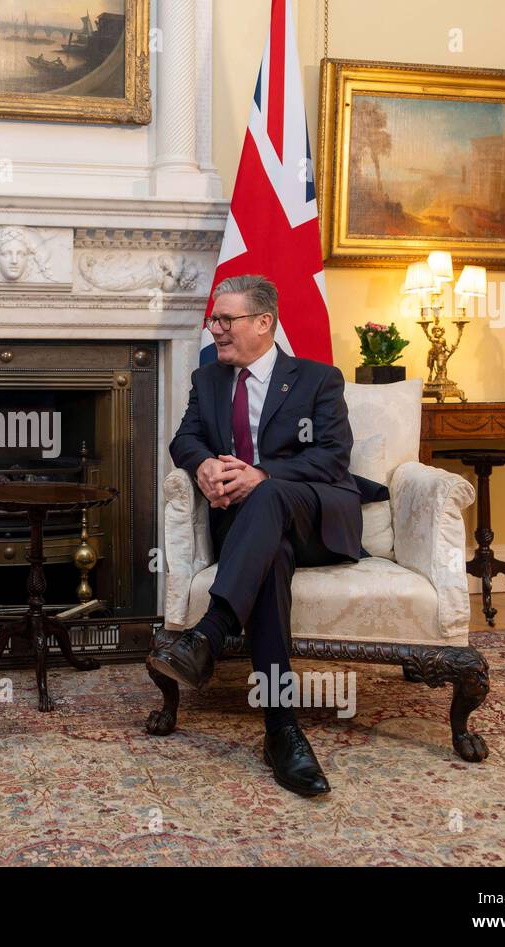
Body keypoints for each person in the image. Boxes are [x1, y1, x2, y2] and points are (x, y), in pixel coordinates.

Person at [150, 274, 373, 797]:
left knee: (268, 493)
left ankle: (210, 629)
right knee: (269, 558)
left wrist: (262, 475)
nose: (216, 329)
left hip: (316, 517)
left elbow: (331, 457)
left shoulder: (318, 379)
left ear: (264, 323)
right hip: (254, 533)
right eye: (215, 319)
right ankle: (281, 729)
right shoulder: (209, 380)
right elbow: (186, 437)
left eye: (227, 320)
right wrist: (204, 464)